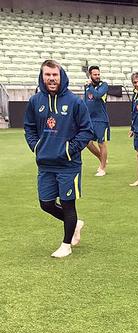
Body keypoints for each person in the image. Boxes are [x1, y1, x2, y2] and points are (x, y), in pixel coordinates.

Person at [23, 60, 93, 258]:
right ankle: (75, 224)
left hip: (68, 165)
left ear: (61, 76)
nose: (52, 79)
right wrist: (36, 147)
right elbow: (29, 127)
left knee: (68, 203)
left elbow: (86, 130)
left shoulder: (75, 102)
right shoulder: (35, 101)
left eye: (55, 75)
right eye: (48, 75)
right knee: (45, 203)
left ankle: (66, 244)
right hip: (45, 164)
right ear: (42, 76)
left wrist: (69, 150)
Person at [83, 65, 110, 176]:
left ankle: (102, 168)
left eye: (98, 74)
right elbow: (86, 102)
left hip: (101, 120)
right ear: (90, 75)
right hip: (89, 120)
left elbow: (98, 95)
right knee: (87, 142)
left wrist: (89, 86)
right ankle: (102, 158)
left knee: (101, 143)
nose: (97, 76)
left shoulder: (104, 85)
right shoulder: (88, 87)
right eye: (95, 74)